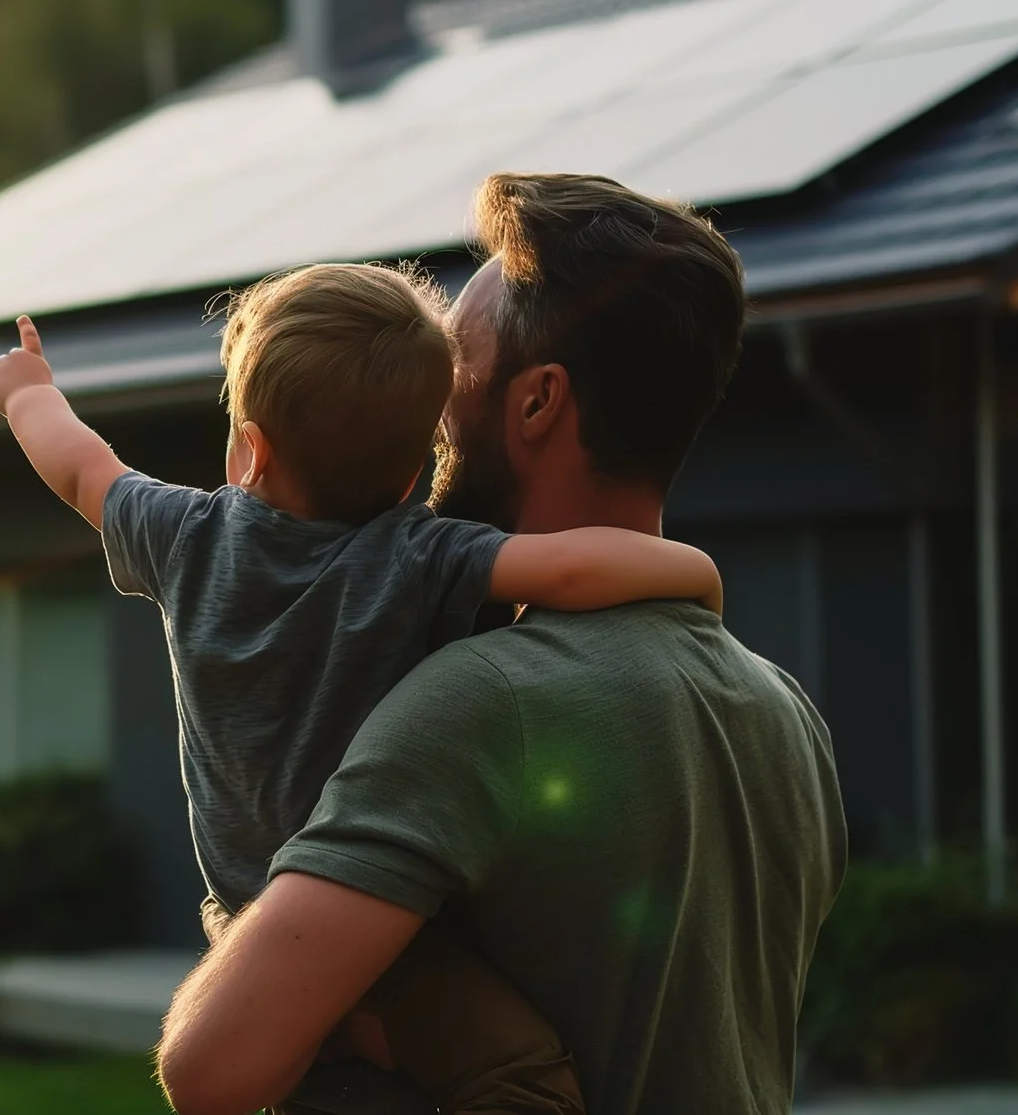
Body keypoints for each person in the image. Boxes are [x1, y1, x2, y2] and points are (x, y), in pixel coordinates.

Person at [153, 173, 848, 1115]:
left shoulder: (479, 703)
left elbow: (211, 1068)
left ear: (536, 404)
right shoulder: (784, 713)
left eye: (450, 373)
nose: (424, 413)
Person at [0, 259, 723, 1114]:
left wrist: (25, 390)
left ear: (249, 450)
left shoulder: (189, 536)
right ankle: (347, 1026)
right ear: (414, 472)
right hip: (384, 934)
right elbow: (574, 565)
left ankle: (335, 1032)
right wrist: (692, 570)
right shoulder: (423, 557)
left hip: (246, 918)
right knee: (527, 1082)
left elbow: (79, 466)